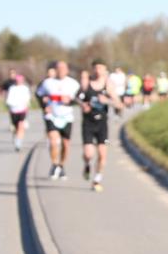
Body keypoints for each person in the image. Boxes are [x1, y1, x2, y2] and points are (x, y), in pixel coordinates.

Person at [36, 60, 81, 180]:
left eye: (63, 68)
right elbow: (38, 94)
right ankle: (54, 164)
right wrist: (44, 106)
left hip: (67, 117)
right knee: (53, 141)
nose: (61, 70)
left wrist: (70, 101)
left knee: (66, 145)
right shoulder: (47, 83)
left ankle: (61, 165)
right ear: (55, 70)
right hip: (52, 116)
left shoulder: (73, 84)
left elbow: (80, 99)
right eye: (58, 68)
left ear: (67, 70)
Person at [78, 59, 113, 192]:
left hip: (103, 125)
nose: (98, 71)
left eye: (101, 68)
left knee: (103, 154)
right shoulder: (86, 83)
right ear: (92, 69)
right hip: (88, 123)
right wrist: (83, 105)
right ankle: (87, 164)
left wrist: (107, 101)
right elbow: (76, 97)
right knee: (89, 154)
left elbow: (119, 104)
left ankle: (97, 179)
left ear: (105, 70)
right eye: (96, 68)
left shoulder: (108, 85)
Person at [4, 74, 31, 151]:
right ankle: (16, 138)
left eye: (20, 80)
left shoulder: (25, 88)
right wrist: (10, 105)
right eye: (17, 80)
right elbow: (9, 99)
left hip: (22, 110)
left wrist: (26, 106)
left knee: (20, 126)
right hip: (13, 110)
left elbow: (27, 98)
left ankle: (19, 143)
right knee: (16, 128)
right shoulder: (12, 88)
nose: (19, 82)